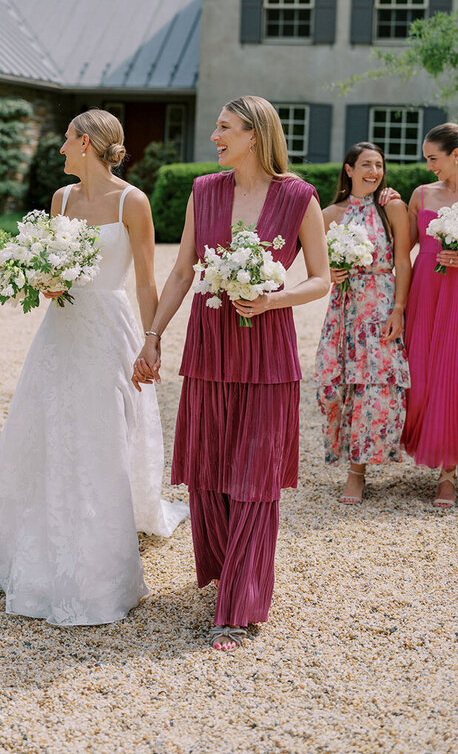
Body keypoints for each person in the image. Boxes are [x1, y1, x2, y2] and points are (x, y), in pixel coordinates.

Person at [0, 109, 188, 626]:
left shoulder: (134, 201)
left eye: (65, 140)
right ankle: (38, 540)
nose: (59, 149)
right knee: (47, 428)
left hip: (109, 328)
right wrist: (44, 281)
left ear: (86, 143)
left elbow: (147, 281)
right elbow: (52, 266)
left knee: (102, 432)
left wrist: (152, 342)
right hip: (60, 331)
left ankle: (101, 544)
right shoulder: (60, 200)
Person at [133, 96, 329, 651]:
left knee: (255, 477)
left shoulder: (299, 197)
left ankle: (239, 606)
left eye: (224, 127)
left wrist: (273, 300)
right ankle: (226, 569)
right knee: (210, 470)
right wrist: (152, 335)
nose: (214, 136)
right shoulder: (205, 190)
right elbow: (179, 273)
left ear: (255, 133)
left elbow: (321, 279)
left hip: (268, 349)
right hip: (210, 345)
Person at [314, 143, 411, 503]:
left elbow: (404, 261)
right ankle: (349, 459)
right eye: (367, 164)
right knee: (333, 381)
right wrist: (330, 272)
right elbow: (313, 264)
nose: (374, 171)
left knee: (374, 386)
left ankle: (358, 472)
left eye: (380, 165)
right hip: (343, 308)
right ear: (349, 169)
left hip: (381, 304)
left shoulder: (393, 207)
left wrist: (399, 309)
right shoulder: (328, 214)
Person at [402, 122, 458, 508]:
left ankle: (449, 473)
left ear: (456, 155)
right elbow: (399, 252)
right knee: (420, 377)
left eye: (433, 158)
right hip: (425, 297)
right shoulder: (420, 195)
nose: (428, 165)